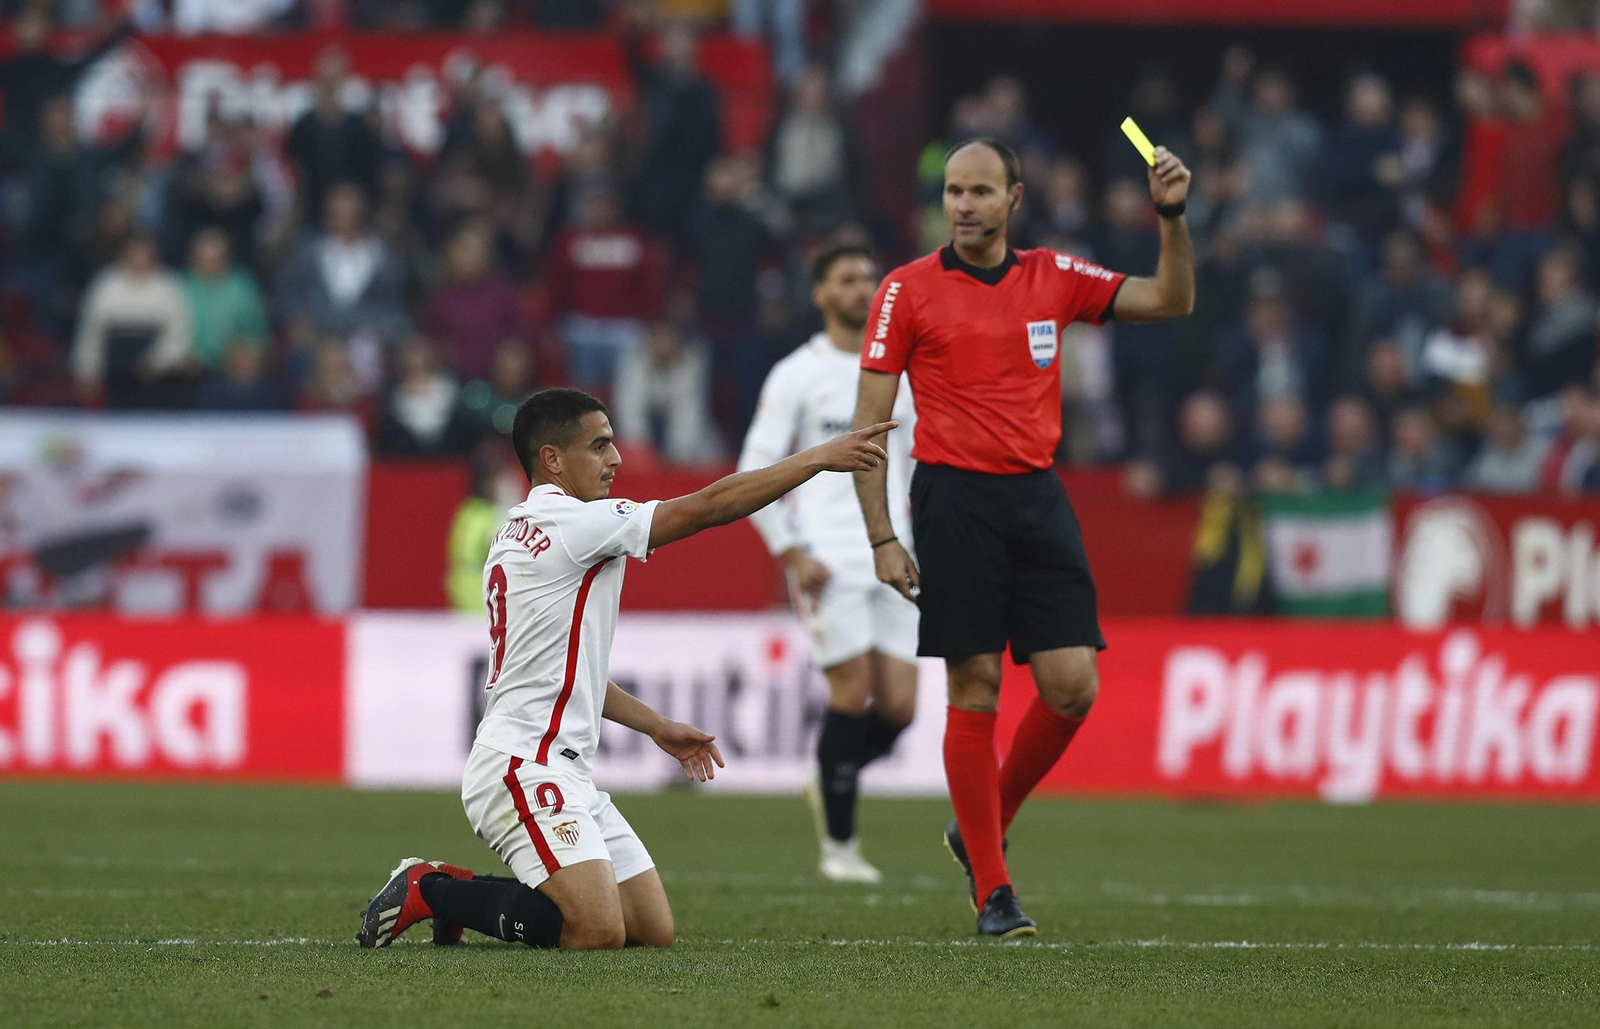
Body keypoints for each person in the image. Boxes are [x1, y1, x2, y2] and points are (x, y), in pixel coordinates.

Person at [358, 388, 896, 950]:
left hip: (562, 770)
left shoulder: (520, 527)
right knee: (594, 931)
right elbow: (708, 508)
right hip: (523, 766)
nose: (616, 458)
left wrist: (655, 725)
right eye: (600, 445)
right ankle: (430, 888)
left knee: (649, 929)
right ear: (553, 459)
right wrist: (815, 458)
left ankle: (465, 896)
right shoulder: (573, 523)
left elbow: (565, 670)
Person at [851, 136, 1194, 937]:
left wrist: (1171, 217)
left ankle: (979, 821)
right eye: (953, 192)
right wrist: (881, 538)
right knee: (976, 690)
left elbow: (1171, 299)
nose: (965, 204)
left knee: (1073, 685)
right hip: (954, 502)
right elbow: (866, 429)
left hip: (1037, 496)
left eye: (981, 191)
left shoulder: (1056, 276)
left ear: (1015, 200)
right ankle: (994, 893)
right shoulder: (905, 291)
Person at [738, 244, 918, 884]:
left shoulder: (900, 370)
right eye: (847, 279)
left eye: (869, 277)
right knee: (851, 694)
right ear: (819, 294)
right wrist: (790, 550)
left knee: (899, 708)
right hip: (827, 559)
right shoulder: (796, 374)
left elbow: (916, 459)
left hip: (893, 556)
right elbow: (754, 468)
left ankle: (828, 772)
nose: (861, 288)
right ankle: (839, 848)